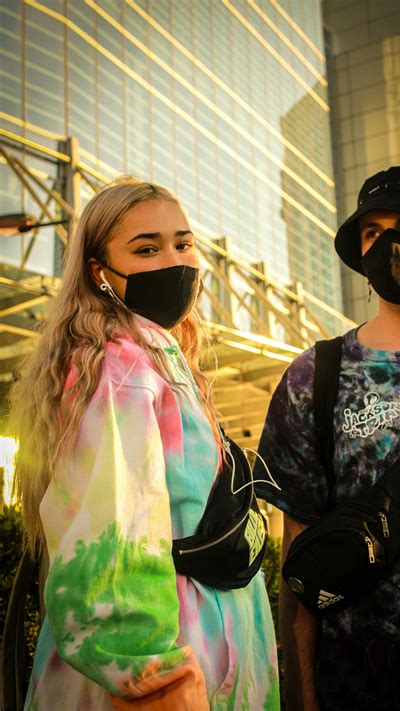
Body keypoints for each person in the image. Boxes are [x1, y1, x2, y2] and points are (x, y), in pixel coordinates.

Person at [10, 177, 279, 710]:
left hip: (200, 651)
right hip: (167, 670)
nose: (174, 260)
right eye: (146, 248)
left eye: (183, 243)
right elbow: (111, 543)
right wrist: (155, 679)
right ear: (100, 274)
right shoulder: (121, 367)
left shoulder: (155, 356)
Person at [254, 166, 400, 711]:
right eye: (374, 232)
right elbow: (297, 559)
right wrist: (302, 695)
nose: (390, 244)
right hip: (354, 689)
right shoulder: (314, 378)